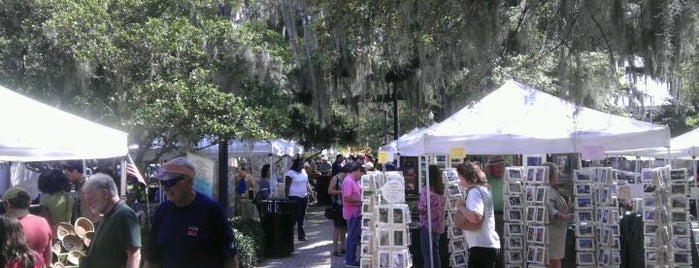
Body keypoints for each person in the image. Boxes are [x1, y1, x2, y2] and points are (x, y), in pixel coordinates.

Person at [145, 157, 238, 268]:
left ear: (188, 181)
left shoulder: (211, 210)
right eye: (162, 182)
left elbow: (230, 258)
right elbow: (152, 258)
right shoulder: (162, 212)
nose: (164, 188)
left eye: (170, 182)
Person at [81, 173, 141, 268]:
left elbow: (134, 255)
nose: (88, 204)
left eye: (91, 199)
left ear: (105, 194)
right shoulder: (108, 214)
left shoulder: (124, 215)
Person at [454, 161, 500, 268]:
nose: (459, 180)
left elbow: (476, 217)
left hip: (481, 246)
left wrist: (460, 206)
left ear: (466, 176)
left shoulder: (474, 192)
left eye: (460, 176)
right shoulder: (484, 189)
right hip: (487, 244)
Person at [3, 187, 52, 266]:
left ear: (7, 204)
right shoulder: (43, 222)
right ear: (29, 202)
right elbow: (48, 255)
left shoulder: (9, 227)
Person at [542, 162, 574, 268]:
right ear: (550, 175)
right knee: (552, 261)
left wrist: (570, 208)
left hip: (558, 232)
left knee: (556, 260)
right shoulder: (547, 190)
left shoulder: (552, 189)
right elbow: (551, 210)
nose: (558, 175)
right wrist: (566, 217)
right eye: (556, 173)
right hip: (552, 232)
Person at [418, 165, 446, 268]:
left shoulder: (426, 190)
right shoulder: (441, 191)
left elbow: (422, 209)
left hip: (427, 226)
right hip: (438, 226)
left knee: (427, 253)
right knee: (435, 251)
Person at [484, 155, 508, 268]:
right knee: (490, 247)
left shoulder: (506, 178)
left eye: (503, 168)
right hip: (490, 217)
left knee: (503, 247)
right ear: (491, 168)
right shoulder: (485, 179)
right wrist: (485, 169)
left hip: (504, 216)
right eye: (498, 168)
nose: (501, 171)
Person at [342, 163, 365, 267]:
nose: (361, 176)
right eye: (361, 174)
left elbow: (359, 191)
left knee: (354, 237)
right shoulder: (348, 181)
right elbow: (347, 197)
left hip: (355, 212)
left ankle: (351, 259)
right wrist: (360, 200)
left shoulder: (354, 180)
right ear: (357, 171)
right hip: (351, 213)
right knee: (351, 237)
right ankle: (350, 261)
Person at [285, 158, 311, 241]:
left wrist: (310, 192)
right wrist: (287, 198)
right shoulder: (290, 173)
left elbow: (307, 183)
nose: (302, 166)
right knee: (295, 217)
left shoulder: (303, 172)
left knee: (302, 216)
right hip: (294, 197)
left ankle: (301, 235)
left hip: (304, 196)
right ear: (296, 165)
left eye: (302, 164)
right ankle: (288, 235)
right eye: (300, 164)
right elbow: (287, 186)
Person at [327, 165, 349, 257]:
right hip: (338, 206)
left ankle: (343, 247)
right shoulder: (336, 178)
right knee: (337, 228)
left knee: (344, 227)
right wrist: (341, 191)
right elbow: (329, 191)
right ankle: (335, 249)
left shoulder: (347, 178)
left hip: (345, 206)